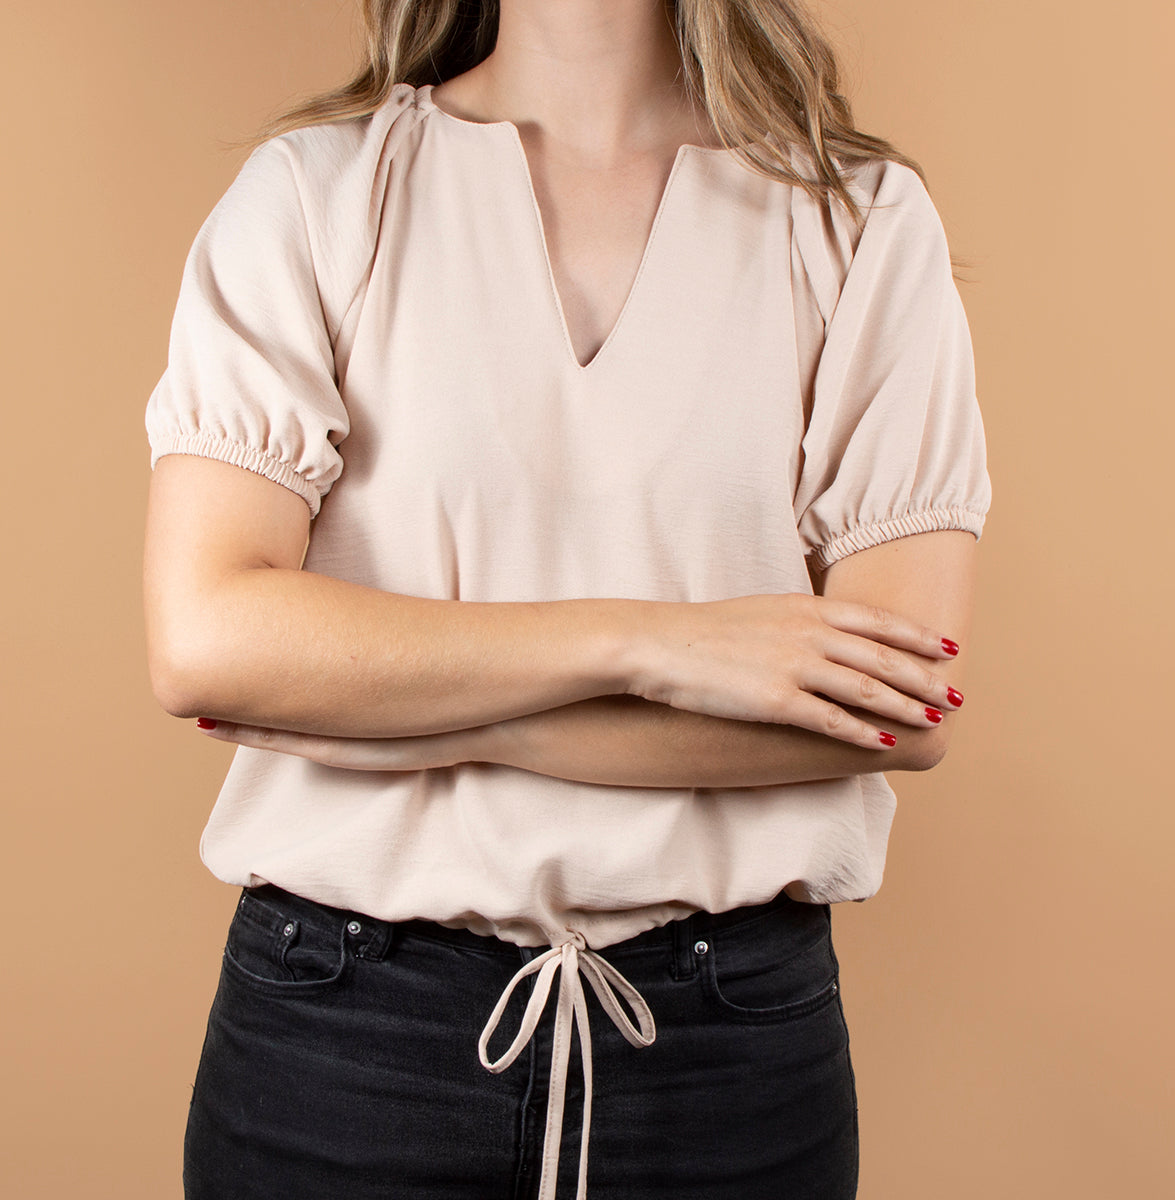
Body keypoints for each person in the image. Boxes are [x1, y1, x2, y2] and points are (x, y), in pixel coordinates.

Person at [142, 1, 991, 1197]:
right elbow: (208, 636)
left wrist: (461, 723)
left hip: (726, 1055)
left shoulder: (856, 221)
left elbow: (902, 705)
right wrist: (656, 645)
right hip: (345, 1043)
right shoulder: (318, 193)